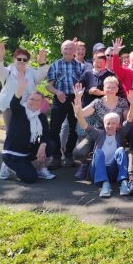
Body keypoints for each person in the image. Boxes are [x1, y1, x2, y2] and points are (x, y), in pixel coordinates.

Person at [0, 43, 49, 179]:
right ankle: (6, 164)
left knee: (29, 135)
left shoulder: (31, 73)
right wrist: (0, 56)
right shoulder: (7, 71)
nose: (22, 61)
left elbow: (42, 74)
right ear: (14, 59)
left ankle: (27, 162)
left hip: (28, 109)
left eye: (25, 59)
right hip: (10, 107)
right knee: (11, 134)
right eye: (19, 59)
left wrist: (42, 62)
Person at [73, 93, 133, 197]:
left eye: (113, 123)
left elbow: (129, 119)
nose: (110, 126)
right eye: (108, 123)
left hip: (112, 170)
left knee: (121, 150)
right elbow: (85, 125)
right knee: (98, 152)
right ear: (104, 124)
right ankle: (105, 184)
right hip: (97, 171)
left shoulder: (120, 134)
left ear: (118, 125)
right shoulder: (98, 133)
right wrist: (79, 114)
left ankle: (123, 182)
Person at [1, 72, 55, 183]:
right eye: (32, 99)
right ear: (26, 100)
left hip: (26, 152)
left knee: (50, 144)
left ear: (41, 103)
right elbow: (14, 102)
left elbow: (45, 134)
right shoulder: (20, 111)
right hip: (12, 154)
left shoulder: (41, 116)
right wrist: (21, 87)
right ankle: (7, 167)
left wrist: (42, 146)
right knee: (31, 178)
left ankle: (40, 169)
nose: (34, 102)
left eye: (38, 100)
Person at [45, 39, 84, 169]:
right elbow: (48, 86)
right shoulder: (54, 65)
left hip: (75, 100)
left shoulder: (81, 66)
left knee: (75, 129)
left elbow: (84, 84)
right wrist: (57, 92)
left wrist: (79, 96)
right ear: (61, 50)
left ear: (75, 51)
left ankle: (69, 155)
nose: (68, 51)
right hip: (60, 98)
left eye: (71, 48)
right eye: (65, 48)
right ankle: (55, 157)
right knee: (54, 129)